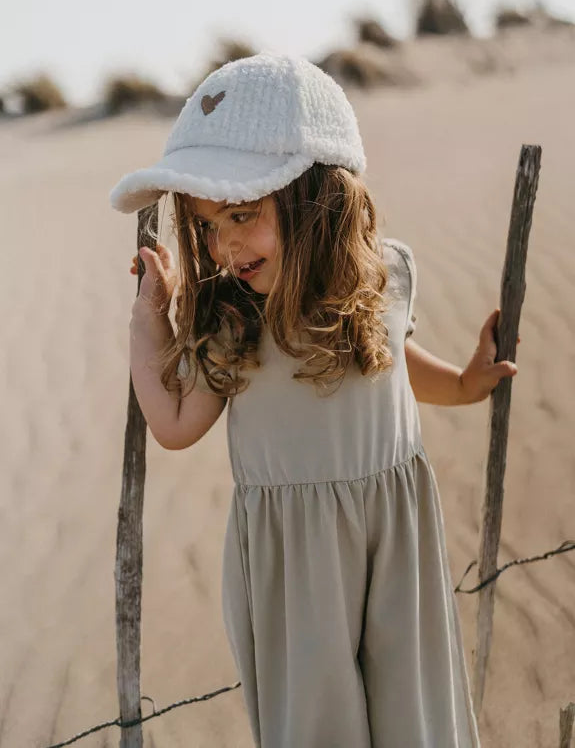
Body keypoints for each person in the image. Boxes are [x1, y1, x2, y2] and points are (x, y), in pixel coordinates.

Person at [110, 53, 518, 747]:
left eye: (241, 212)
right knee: (317, 725)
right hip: (294, 567)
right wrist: (152, 319)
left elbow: (385, 363)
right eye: (207, 224)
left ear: (315, 194)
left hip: (395, 540)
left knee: (413, 715)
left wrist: (462, 383)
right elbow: (175, 423)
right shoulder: (230, 318)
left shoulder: (385, 274)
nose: (225, 242)